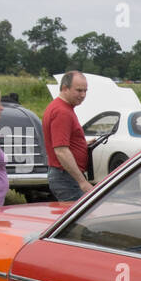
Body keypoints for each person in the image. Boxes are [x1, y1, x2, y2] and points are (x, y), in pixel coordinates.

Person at [43, 71, 93, 201]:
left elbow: (62, 143)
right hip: (66, 177)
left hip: (64, 175)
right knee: (80, 218)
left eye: (85, 91)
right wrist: (82, 182)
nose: (83, 95)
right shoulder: (62, 112)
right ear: (65, 88)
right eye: (78, 90)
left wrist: (82, 145)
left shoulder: (60, 107)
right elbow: (61, 151)